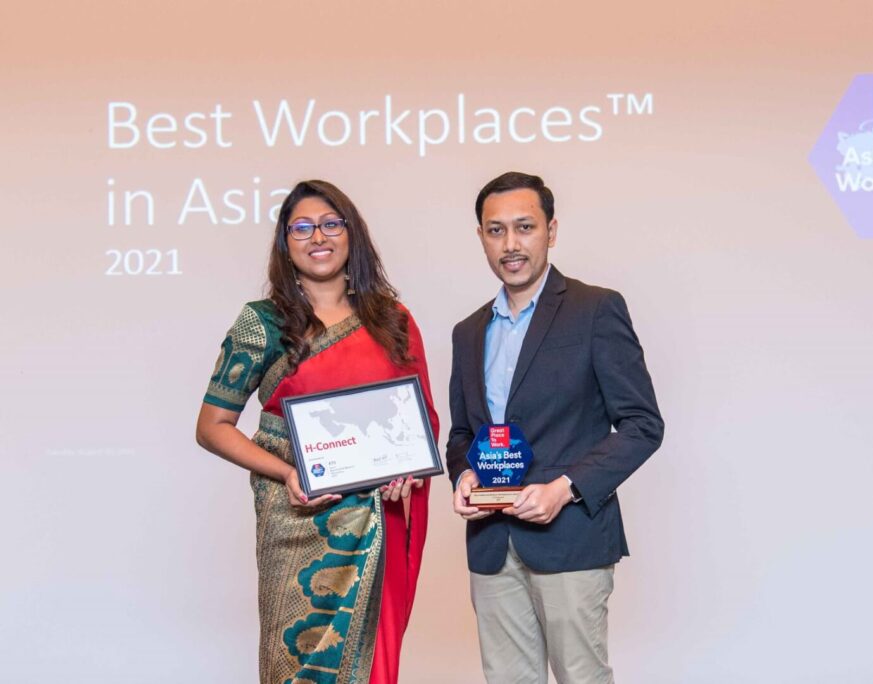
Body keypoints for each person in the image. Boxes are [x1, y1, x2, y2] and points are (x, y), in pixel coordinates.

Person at [196, 179, 437, 684]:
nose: (318, 237)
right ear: (286, 243)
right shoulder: (260, 324)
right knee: (295, 665)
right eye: (301, 227)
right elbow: (212, 427)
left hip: (377, 518)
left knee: (374, 664)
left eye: (331, 223)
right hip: (296, 519)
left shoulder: (392, 320)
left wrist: (408, 474)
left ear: (352, 234)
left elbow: (422, 423)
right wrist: (287, 473)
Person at [447, 171, 664, 683]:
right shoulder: (468, 331)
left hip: (571, 537)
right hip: (492, 540)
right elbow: (463, 435)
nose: (511, 244)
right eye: (495, 230)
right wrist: (464, 475)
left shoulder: (595, 309)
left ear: (552, 230)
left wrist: (564, 489)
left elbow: (642, 424)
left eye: (525, 227)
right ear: (480, 237)